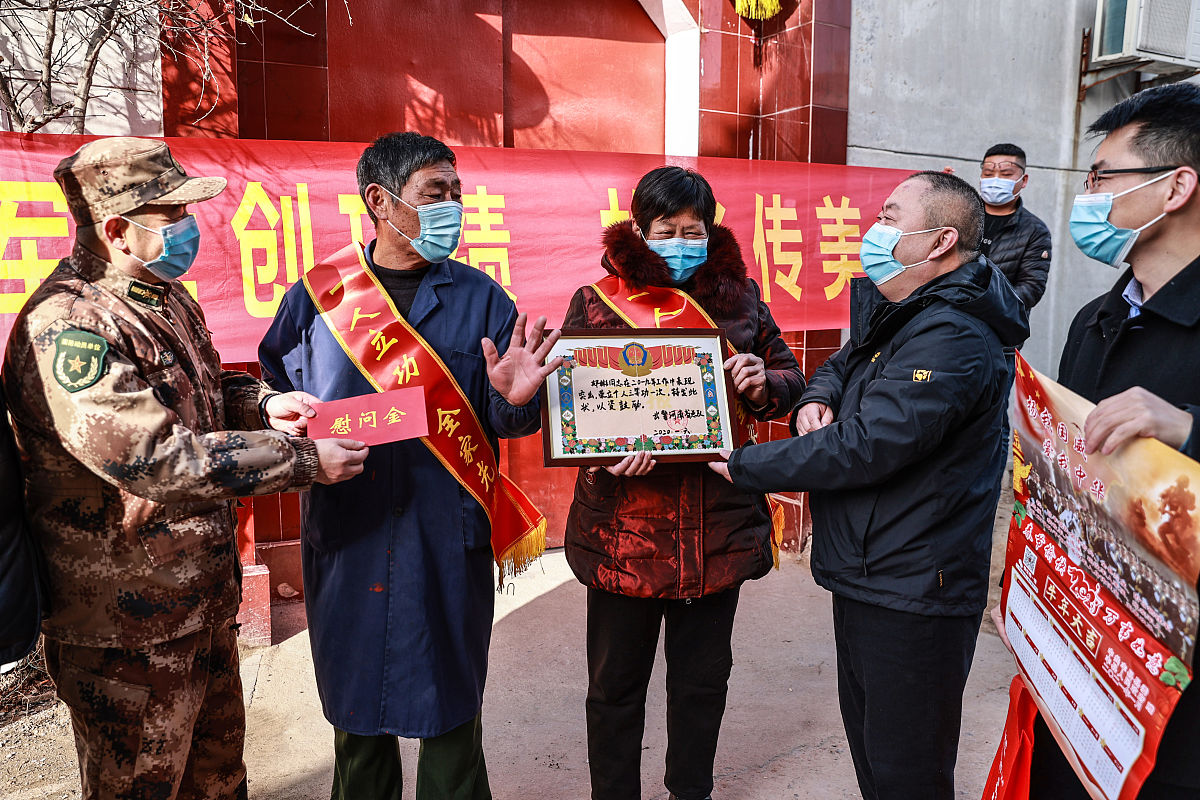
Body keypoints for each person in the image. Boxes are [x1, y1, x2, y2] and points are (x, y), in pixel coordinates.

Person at [0, 137, 368, 800]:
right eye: (172, 214)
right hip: (126, 633)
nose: (189, 228)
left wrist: (264, 405)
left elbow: (203, 387)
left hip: (199, 605)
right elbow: (156, 459)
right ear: (116, 229)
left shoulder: (163, 298)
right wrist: (303, 459)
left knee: (220, 784)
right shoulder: (69, 327)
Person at [258, 132, 560, 800]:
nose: (453, 205)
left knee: (452, 711)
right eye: (436, 192)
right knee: (357, 716)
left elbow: (504, 419)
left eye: (457, 191)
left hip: (443, 538)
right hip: (350, 534)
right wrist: (273, 404)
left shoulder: (484, 300)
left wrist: (514, 402)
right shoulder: (318, 297)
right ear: (380, 200)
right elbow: (267, 387)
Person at [711, 171, 1029, 800]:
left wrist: (746, 465)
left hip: (914, 583)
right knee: (872, 752)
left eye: (889, 215)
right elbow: (847, 360)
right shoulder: (903, 305)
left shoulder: (955, 334)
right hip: (871, 567)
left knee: (905, 769)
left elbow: (867, 446)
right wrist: (817, 399)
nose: (874, 229)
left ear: (938, 241)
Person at [561, 166, 805, 800]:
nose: (679, 242)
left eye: (692, 230)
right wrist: (600, 454)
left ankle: (688, 789)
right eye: (665, 230)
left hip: (715, 529)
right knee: (614, 687)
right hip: (624, 532)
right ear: (640, 231)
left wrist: (764, 384)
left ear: (711, 230)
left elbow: (788, 377)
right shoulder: (595, 301)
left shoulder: (745, 301)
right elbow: (567, 403)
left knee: (701, 683)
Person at [992, 82, 1200, 800]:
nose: (1087, 196)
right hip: (1086, 651)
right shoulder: (1093, 319)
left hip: (1173, 678)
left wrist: (1189, 428)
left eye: (1103, 177)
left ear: (1175, 187)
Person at [978, 143, 1053, 310]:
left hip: (997, 325)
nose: (995, 180)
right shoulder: (961, 214)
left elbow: (1032, 287)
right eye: (988, 174)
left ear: (1023, 180)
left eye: (1006, 174)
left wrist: (982, 305)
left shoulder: (1035, 230)